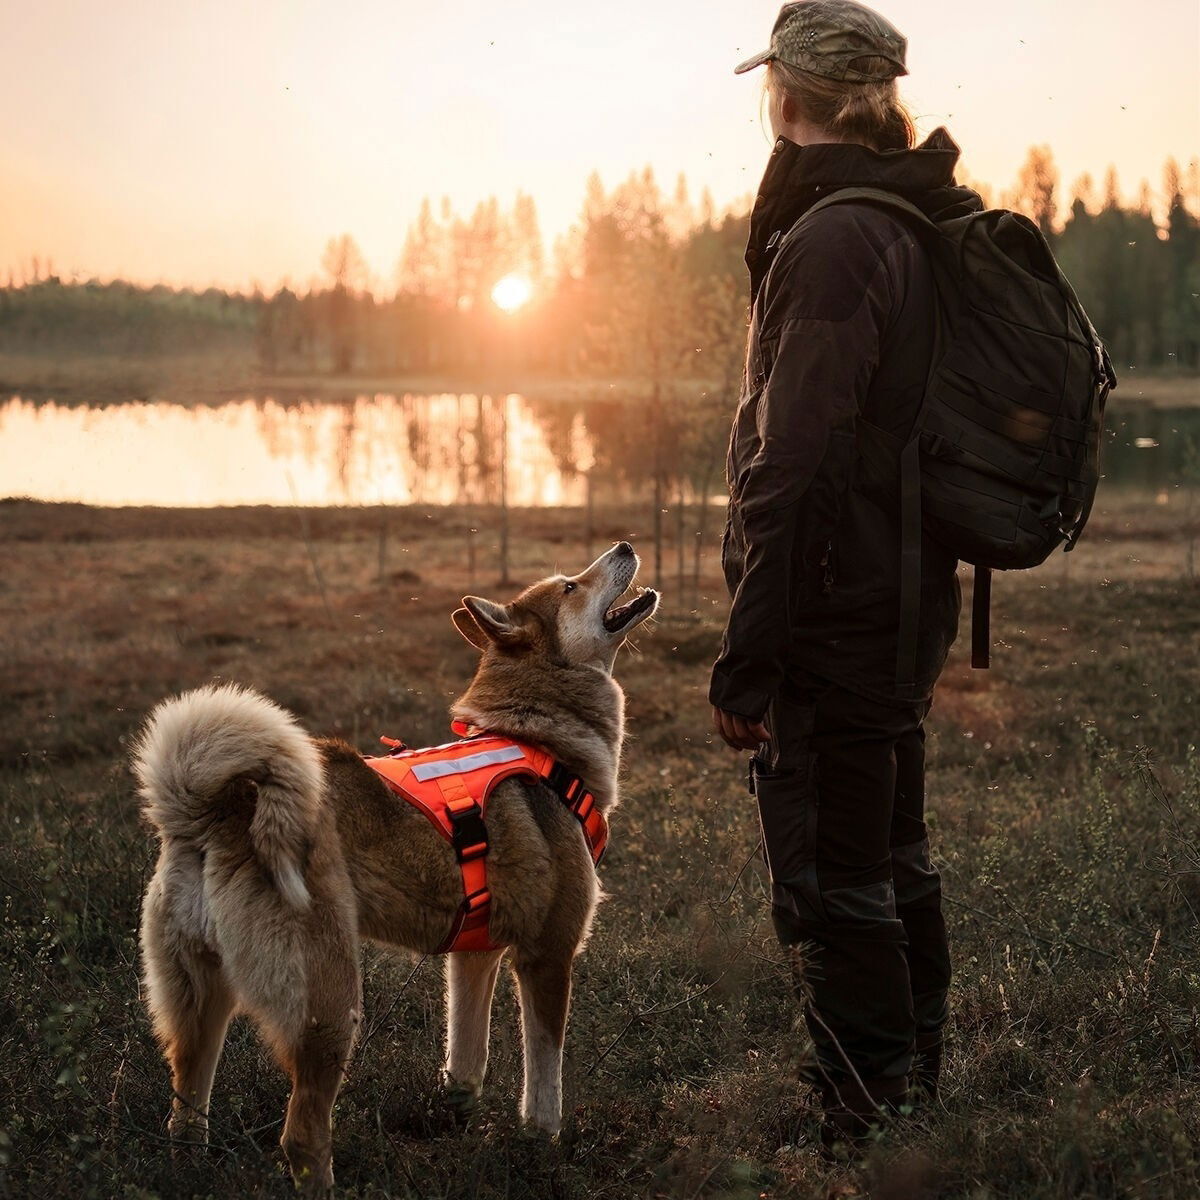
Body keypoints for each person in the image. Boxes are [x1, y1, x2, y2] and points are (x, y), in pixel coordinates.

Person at [709, 0, 982, 1146]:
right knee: (891, 855)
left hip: (838, 614)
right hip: (905, 599)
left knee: (832, 879)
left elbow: (792, 466)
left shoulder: (832, 240)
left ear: (788, 96)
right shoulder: (909, 215)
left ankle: (866, 1124)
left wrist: (749, 660)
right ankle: (913, 1089)